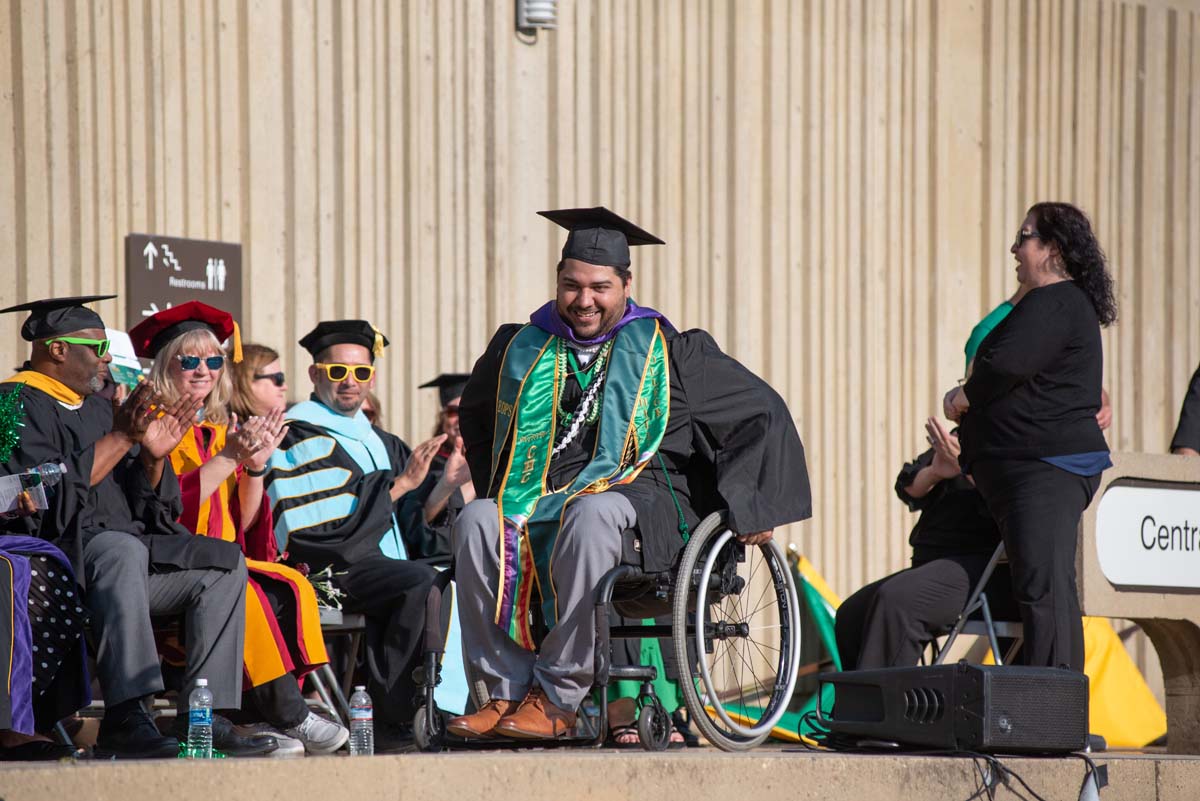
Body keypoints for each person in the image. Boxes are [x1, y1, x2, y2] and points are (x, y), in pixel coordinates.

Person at [447, 206, 812, 740]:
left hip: (642, 508)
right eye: (571, 286)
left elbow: (761, 411)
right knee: (480, 517)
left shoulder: (673, 352)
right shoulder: (518, 348)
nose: (584, 300)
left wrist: (753, 506)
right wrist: (505, 488)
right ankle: (502, 693)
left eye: (600, 287)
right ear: (557, 281)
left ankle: (557, 696)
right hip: (538, 501)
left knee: (591, 512)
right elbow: (482, 426)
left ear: (626, 285)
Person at [0, 295, 275, 758]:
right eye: (98, 347)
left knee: (223, 562)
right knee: (118, 548)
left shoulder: (104, 406)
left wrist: (151, 458)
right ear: (58, 350)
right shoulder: (14, 402)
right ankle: (129, 714)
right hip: (66, 554)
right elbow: (34, 495)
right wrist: (121, 437)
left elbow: (153, 510)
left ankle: (203, 718)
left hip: (124, 557)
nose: (107, 358)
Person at [129, 302, 349, 755]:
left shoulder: (214, 431)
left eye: (213, 361)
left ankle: (260, 719)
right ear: (165, 366)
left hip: (222, 560)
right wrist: (228, 459)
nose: (204, 370)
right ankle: (291, 714)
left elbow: (244, 525)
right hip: (169, 566)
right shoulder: (146, 427)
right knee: (245, 588)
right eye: (189, 361)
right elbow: (171, 518)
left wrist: (254, 466)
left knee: (285, 586)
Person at [944, 202, 1117, 672]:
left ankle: (1054, 715)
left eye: (1024, 237)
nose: (1015, 248)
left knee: (1045, 587)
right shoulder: (1050, 305)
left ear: (1053, 248)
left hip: (1048, 468)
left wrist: (963, 396)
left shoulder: (1057, 300)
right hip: (1037, 469)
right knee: (1043, 586)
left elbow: (1004, 364)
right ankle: (1052, 713)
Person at [263, 320, 455, 744]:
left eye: (361, 372)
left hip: (377, 566)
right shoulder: (297, 435)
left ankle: (453, 706)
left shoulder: (380, 439)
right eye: (337, 372)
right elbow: (322, 535)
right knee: (418, 582)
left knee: (452, 571)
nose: (350, 382)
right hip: (329, 571)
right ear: (315, 375)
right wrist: (401, 485)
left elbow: (410, 527)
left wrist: (444, 485)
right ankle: (394, 717)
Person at [834, 417, 1007, 669]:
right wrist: (935, 473)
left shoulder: (1009, 437)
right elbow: (907, 484)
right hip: (932, 565)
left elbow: (1012, 499)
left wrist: (966, 468)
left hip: (983, 569)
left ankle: (879, 707)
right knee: (852, 615)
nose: (953, 400)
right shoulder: (960, 437)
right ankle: (857, 703)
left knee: (897, 601)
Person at [411, 373, 476, 561]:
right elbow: (419, 524)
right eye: (453, 412)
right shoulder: (423, 463)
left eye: (468, 409)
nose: (460, 418)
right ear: (443, 418)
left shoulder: (501, 461)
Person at [230, 343, 289, 420]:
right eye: (278, 378)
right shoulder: (221, 429)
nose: (285, 387)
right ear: (246, 382)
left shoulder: (291, 426)